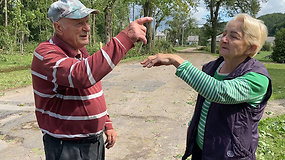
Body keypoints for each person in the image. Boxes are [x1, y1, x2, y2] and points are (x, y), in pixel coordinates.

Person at [31, 0, 152, 159]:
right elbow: (81, 76)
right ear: (58, 27)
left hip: (93, 143)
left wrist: (106, 123)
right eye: (79, 23)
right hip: (67, 147)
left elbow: (93, 87)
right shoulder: (45, 53)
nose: (87, 28)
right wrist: (126, 38)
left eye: (87, 21)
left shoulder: (80, 51)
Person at [141, 13, 272, 160]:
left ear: (251, 48)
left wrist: (175, 60)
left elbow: (219, 92)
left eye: (233, 36)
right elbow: (206, 105)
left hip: (230, 155)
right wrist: (193, 127)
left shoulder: (257, 78)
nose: (223, 39)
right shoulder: (212, 67)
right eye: (224, 34)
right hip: (203, 150)